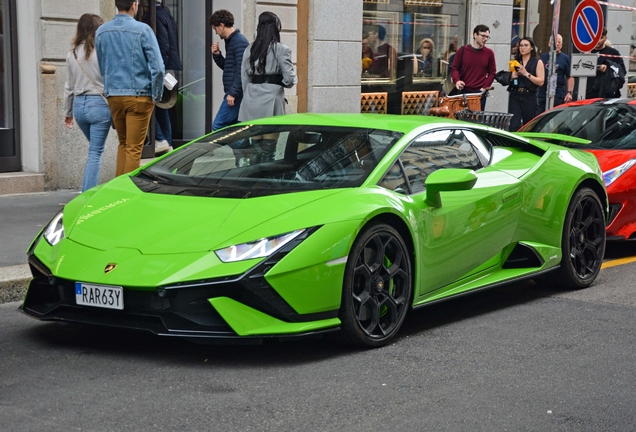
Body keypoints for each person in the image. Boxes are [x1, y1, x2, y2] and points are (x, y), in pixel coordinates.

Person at [95, 0, 165, 176]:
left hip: (114, 96)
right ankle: (127, 196)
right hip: (139, 95)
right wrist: (156, 95)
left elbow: (102, 65)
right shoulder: (143, 30)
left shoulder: (102, 31)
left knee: (123, 144)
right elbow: (158, 68)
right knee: (134, 148)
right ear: (134, 5)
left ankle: (117, 192)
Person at [63, 14, 111, 192]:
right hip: (99, 105)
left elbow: (69, 86)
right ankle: (87, 193)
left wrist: (67, 113)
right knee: (96, 152)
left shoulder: (72, 54)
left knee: (94, 149)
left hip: (79, 107)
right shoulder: (103, 51)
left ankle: (89, 190)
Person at [239, 11, 297, 122]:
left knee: (255, 137)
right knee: (270, 137)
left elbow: (244, 78)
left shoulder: (249, 49)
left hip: (251, 97)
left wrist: (248, 94)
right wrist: (279, 83)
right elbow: (289, 79)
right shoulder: (281, 49)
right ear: (275, 29)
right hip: (272, 96)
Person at [143, 0, 182, 153]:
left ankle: (161, 139)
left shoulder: (156, 16)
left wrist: (160, 68)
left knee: (150, 102)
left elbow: (163, 45)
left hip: (161, 67)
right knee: (161, 106)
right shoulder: (166, 13)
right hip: (167, 67)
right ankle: (168, 142)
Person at [209, 9, 249, 131]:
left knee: (218, 126)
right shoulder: (232, 41)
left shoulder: (239, 41)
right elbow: (230, 67)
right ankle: (247, 149)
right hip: (234, 92)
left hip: (235, 94)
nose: (216, 33)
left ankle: (247, 148)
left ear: (221, 25)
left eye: (215, 28)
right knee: (235, 129)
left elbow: (242, 69)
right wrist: (217, 55)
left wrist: (233, 93)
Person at [450, 24, 497, 110]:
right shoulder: (463, 50)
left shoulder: (489, 53)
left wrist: (485, 87)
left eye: (487, 37)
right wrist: (457, 80)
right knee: (461, 120)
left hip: (479, 93)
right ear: (475, 35)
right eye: (483, 36)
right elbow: (455, 68)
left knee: (477, 120)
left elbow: (492, 72)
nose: (485, 39)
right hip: (463, 91)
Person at [507, 37, 544, 131]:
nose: (522, 48)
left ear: (532, 47)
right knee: (513, 125)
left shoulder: (537, 62)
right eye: (521, 46)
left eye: (526, 45)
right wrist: (512, 76)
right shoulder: (516, 61)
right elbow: (509, 77)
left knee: (528, 124)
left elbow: (541, 81)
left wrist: (526, 74)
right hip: (515, 94)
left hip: (529, 96)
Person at [536, 34, 574, 115]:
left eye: (559, 42)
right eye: (555, 42)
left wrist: (569, 92)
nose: (557, 44)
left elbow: (570, 76)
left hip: (558, 93)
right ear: (549, 44)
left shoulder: (565, 58)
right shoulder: (543, 57)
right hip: (542, 93)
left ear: (562, 44)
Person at [586, 28, 626, 99]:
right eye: (595, 38)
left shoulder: (613, 53)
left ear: (605, 38)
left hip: (607, 93)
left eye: (601, 38)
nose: (598, 41)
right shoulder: (587, 51)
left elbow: (622, 71)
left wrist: (608, 69)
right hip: (589, 92)